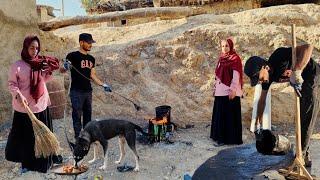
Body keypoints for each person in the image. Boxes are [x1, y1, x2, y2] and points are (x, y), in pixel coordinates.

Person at [244, 44, 318, 167]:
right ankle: (303, 153)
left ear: (265, 67)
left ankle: (302, 156)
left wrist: (298, 71)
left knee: (307, 115)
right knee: (300, 119)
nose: (260, 81)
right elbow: (262, 101)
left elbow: (308, 47)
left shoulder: (278, 56)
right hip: (302, 85)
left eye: (259, 77)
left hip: (313, 76)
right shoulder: (267, 79)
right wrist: (258, 122)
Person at [5, 35, 62, 173]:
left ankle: (45, 163)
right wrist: (18, 95)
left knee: (43, 135)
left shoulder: (40, 63)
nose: (35, 51)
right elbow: (12, 84)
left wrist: (49, 71)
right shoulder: (17, 66)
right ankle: (27, 164)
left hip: (41, 105)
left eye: (37, 48)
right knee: (26, 138)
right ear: (26, 48)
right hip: (24, 109)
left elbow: (44, 80)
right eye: (32, 48)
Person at [61, 33, 112, 139]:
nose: (90, 45)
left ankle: (87, 137)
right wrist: (65, 66)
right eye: (88, 42)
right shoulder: (72, 55)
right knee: (77, 115)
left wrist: (103, 85)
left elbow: (92, 75)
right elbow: (62, 69)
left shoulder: (91, 59)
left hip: (88, 91)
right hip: (76, 91)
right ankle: (78, 138)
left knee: (88, 116)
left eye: (91, 43)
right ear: (81, 42)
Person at [210, 38, 244, 146]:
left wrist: (233, 89)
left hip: (230, 92)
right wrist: (215, 89)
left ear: (231, 46)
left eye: (227, 46)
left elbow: (236, 75)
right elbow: (218, 75)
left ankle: (230, 140)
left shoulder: (235, 58)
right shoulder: (221, 58)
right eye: (223, 46)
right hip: (220, 91)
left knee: (229, 117)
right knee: (220, 115)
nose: (224, 48)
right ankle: (220, 138)